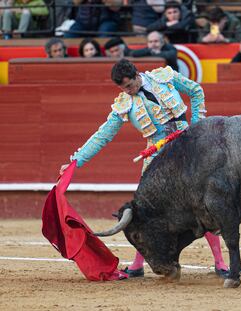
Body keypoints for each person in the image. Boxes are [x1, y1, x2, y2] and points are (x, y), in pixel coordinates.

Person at [60, 59, 229, 279]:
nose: (128, 92)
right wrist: (76, 160)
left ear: (137, 75)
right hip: (156, 159)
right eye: (123, 89)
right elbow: (103, 136)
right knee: (146, 213)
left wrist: (197, 125)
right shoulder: (124, 104)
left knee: (200, 204)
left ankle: (220, 262)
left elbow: (196, 90)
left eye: (129, 86)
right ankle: (138, 265)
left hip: (188, 148)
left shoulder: (163, 76)